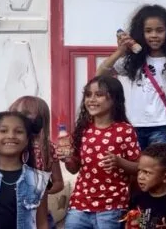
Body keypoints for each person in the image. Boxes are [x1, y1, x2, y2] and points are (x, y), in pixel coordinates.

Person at [97, 4, 166, 149]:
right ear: (140, 33)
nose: (154, 35)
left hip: (162, 126)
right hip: (133, 125)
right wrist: (120, 51)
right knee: (136, 169)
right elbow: (100, 74)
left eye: (160, 30)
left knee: (157, 169)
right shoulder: (133, 60)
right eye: (148, 31)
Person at [61, 75, 142, 228]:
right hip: (80, 202)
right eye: (88, 95)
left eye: (99, 95)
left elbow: (139, 167)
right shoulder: (83, 129)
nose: (91, 99)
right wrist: (67, 159)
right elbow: (74, 169)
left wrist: (119, 161)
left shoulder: (124, 130)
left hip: (112, 206)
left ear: (114, 99)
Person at [0, 110, 50, 228]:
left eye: (19, 131)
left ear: (27, 140)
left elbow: (42, 223)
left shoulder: (38, 180)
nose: (11, 136)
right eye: (3, 131)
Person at [8, 96, 65, 227]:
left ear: (40, 120)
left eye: (25, 114)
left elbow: (59, 183)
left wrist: (41, 192)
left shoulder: (47, 147)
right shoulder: (6, 145)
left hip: (39, 216)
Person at [128, 143, 166, 228]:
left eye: (147, 172)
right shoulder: (138, 197)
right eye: (139, 170)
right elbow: (142, 224)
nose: (140, 177)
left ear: (165, 177)